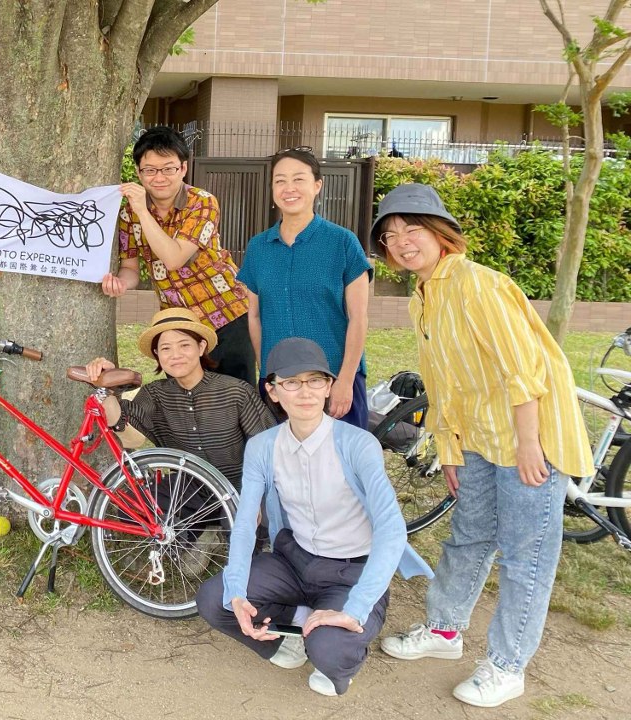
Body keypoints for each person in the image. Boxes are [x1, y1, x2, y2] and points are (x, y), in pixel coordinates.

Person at [371, 184, 594, 708]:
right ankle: (444, 630)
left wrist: (530, 444)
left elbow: (523, 370)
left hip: (527, 438)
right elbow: (441, 382)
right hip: (476, 439)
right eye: (390, 235)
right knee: (468, 538)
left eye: (412, 229)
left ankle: (507, 665)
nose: (401, 242)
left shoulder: (478, 284)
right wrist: (449, 449)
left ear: (440, 233)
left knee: (525, 556)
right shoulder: (423, 296)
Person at [196, 337, 433, 697]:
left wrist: (356, 608)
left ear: (328, 386)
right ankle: (291, 633)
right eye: (291, 382)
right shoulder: (262, 447)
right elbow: (245, 523)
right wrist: (237, 591)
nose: (305, 391)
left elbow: (391, 529)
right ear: (273, 391)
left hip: (350, 569)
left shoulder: (358, 444)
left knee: (330, 652)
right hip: (294, 559)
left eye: (315, 380)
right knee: (217, 599)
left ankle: (331, 636)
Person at [100, 126, 255, 385]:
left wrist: (142, 211)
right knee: (184, 397)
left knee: (237, 393)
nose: (159, 177)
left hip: (227, 311)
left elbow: (174, 259)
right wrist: (120, 284)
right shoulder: (128, 213)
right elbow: (130, 269)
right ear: (138, 172)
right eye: (150, 170)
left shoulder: (202, 202)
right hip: (179, 322)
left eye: (168, 169)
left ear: (183, 168)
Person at [236, 146, 372, 428]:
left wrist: (346, 380)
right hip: (281, 382)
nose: (289, 188)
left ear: (317, 185)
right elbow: (255, 316)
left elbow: (358, 318)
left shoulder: (342, 242)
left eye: (299, 179)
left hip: (333, 378)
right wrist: (266, 374)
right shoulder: (258, 247)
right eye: (280, 180)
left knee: (341, 455)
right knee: (284, 455)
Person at [85, 307, 273, 491]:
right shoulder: (155, 395)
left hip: (240, 493)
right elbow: (132, 439)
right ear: (157, 354)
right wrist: (106, 386)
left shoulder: (236, 392)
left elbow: (269, 448)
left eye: (184, 345)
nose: (176, 355)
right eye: (166, 348)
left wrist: (255, 499)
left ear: (201, 347)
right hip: (184, 495)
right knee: (130, 503)